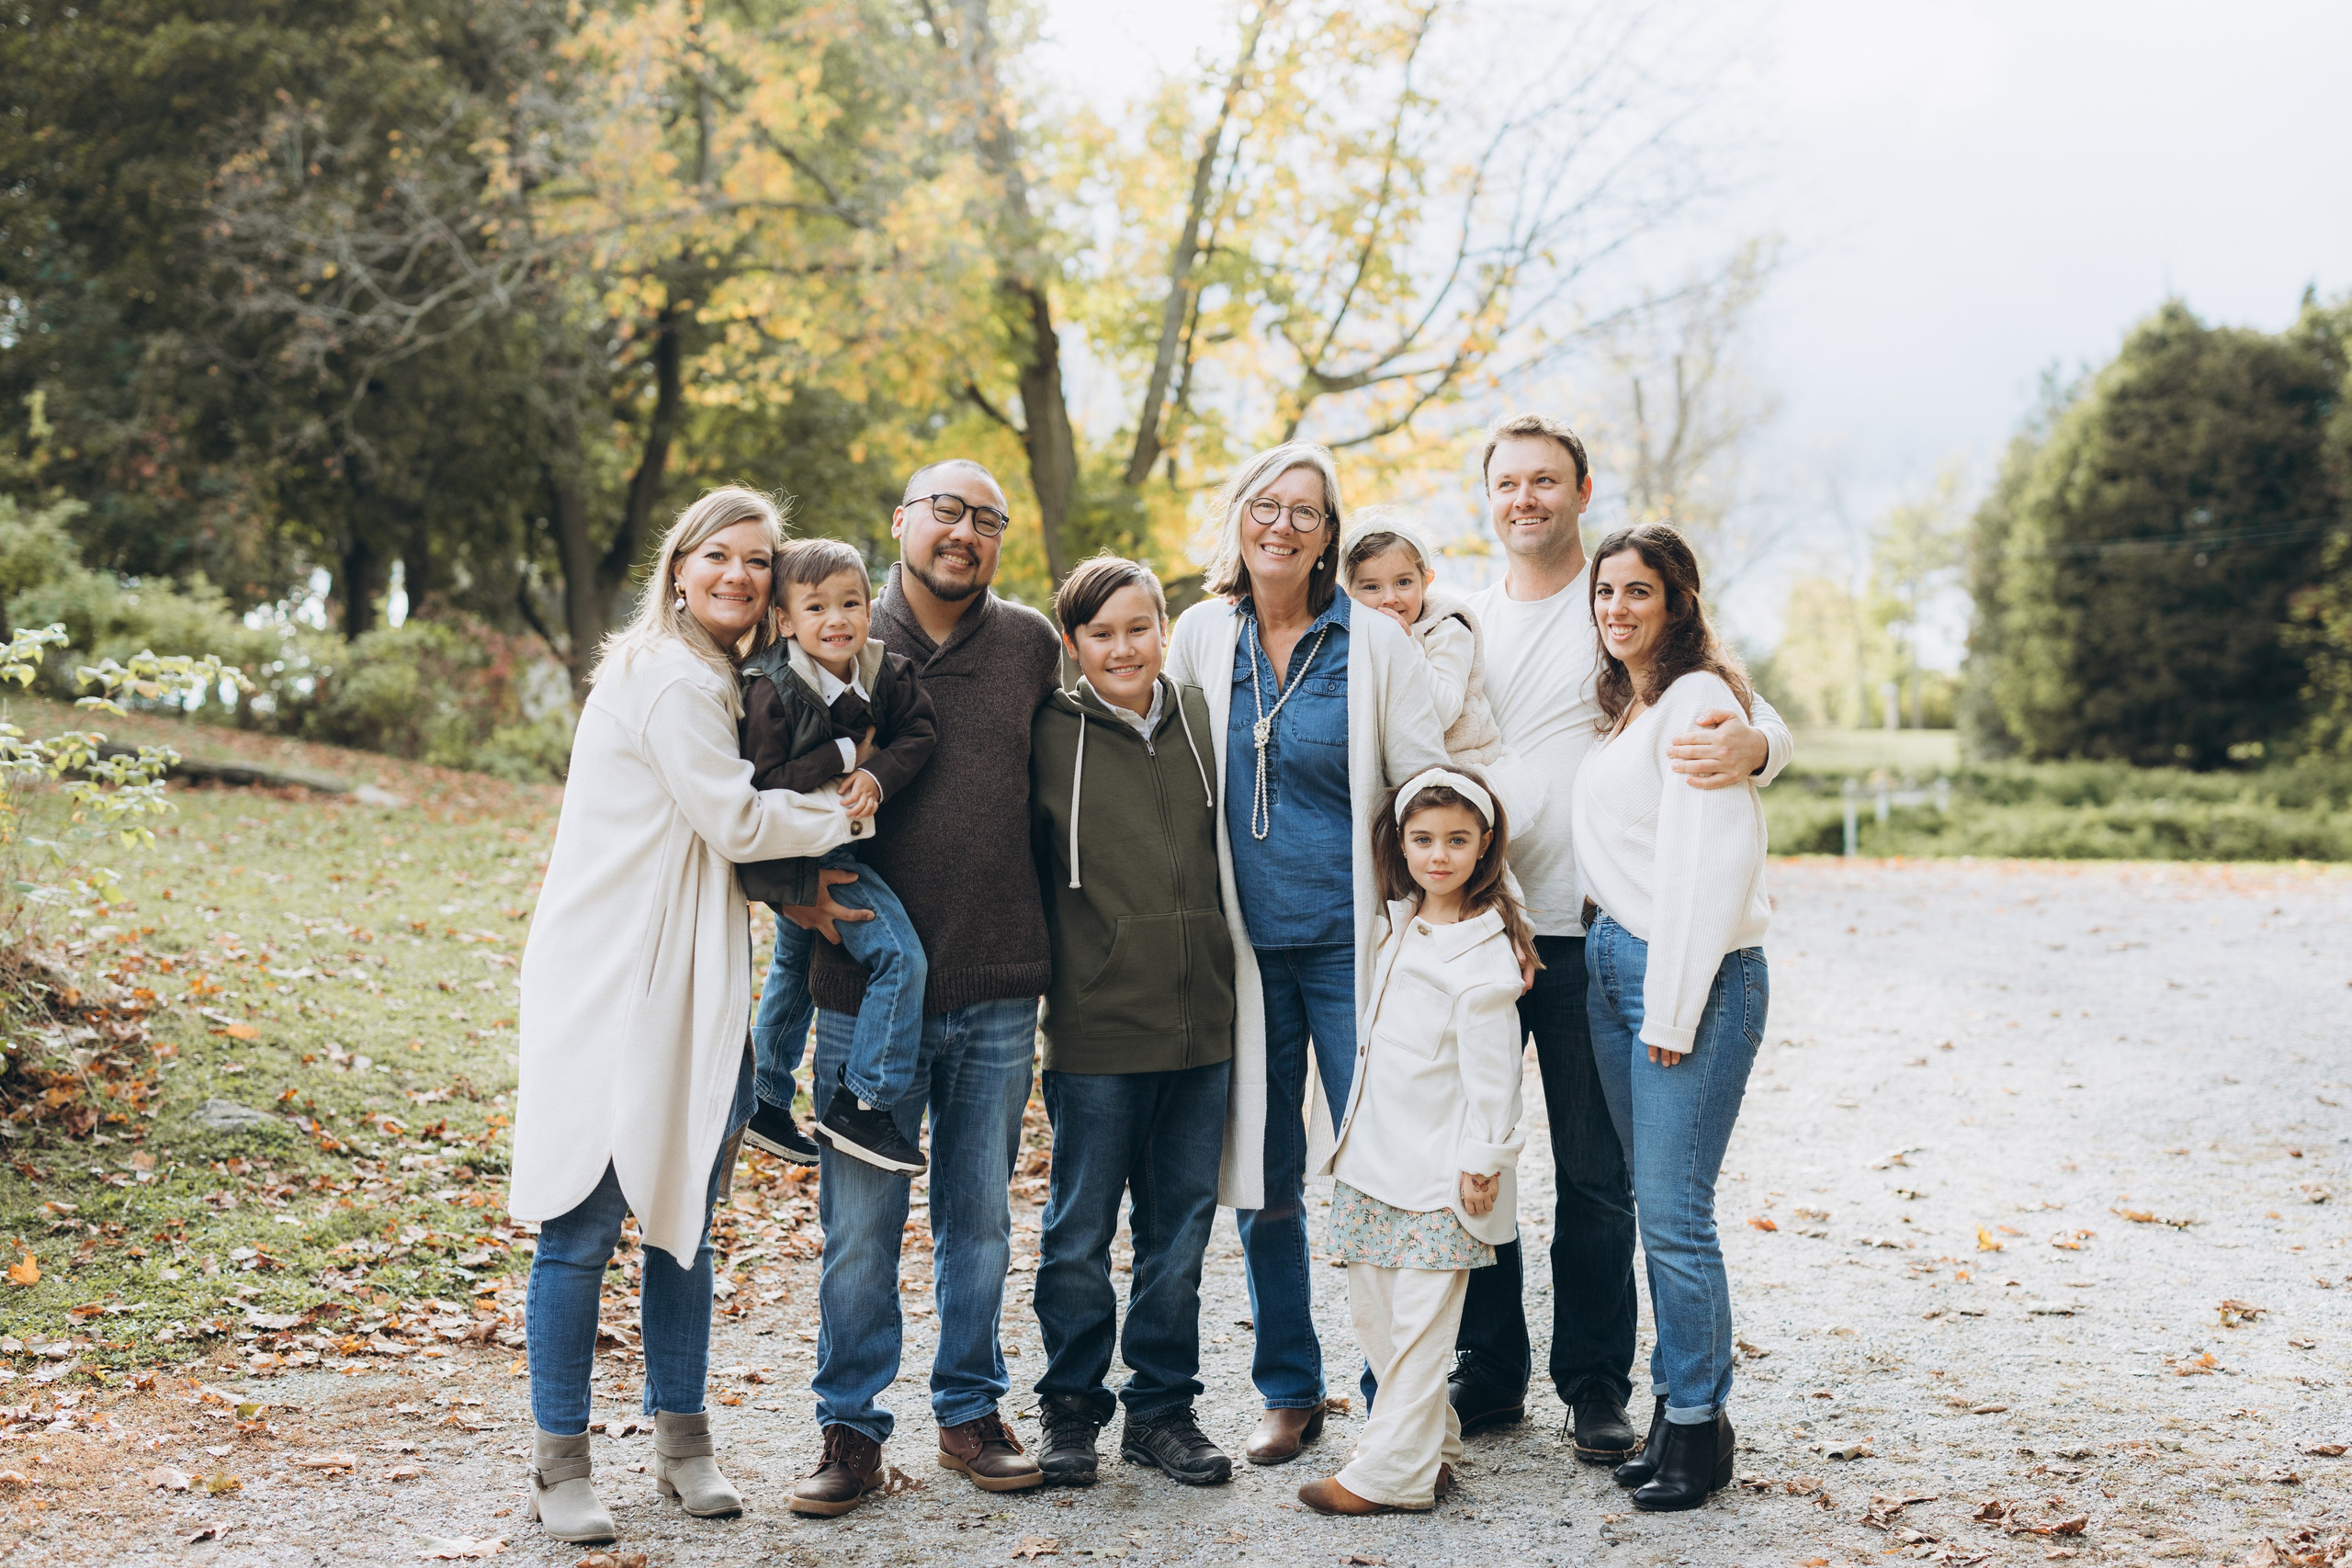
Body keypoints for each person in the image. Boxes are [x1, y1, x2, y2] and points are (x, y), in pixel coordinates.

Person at [510, 486, 859, 1545]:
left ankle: (683, 1447)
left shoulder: (727, 679)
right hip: (614, 977)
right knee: (583, 1221)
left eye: (758, 561)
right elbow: (737, 821)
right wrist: (848, 803)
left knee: (682, 1225)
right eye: (719, 555)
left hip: (696, 978)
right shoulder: (664, 676)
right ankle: (560, 1464)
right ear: (678, 567)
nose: (739, 575)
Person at [1450, 413, 1792, 1464]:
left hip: (1585, 937)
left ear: (1581, 492)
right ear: (1488, 497)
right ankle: (1486, 1371)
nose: (1525, 499)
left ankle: (1594, 1384)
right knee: (1476, 1160)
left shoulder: (1621, 604)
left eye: (1545, 481)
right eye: (1507, 483)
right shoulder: (1462, 618)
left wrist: (1760, 748)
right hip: (1479, 930)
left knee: (1599, 1182)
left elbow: (1743, 712)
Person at [784, 460, 1062, 1516]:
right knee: (859, 1228)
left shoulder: (1030, 645)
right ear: (902, 519)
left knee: (978, 1219)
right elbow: (756, 780)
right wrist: (791, 893)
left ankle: (969, 1411)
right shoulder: (837, 630)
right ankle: (849, 1430)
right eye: (947, 510)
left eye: (987, 519)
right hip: (862, 990)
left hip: (996, 981)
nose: (964, 532)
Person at [1165, 442, 1451, 1467]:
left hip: (1353, 945)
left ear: (1329, 535)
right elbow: (1162, 772)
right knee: (1263, 1170)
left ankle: (1395, 1394)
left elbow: (1426, 788)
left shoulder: (1374, 643)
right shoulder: (1200, 634)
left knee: (1383, 1166)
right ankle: (1289, 1389)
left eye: (1306, 511)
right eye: (1266, 505)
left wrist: (1440, 927)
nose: (1281, 524)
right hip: (1241, 948)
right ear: (1238, 516)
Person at [1571, 523, 1770, 1512]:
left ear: (1678, 602)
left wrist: (1675, 1003)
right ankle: (1676, 1413)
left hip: (1684, 972)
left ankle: (1697, 1426)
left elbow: (1711, 864)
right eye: (1605, 591)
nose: (1617, 608)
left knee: (1676, 1215)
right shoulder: (1634, 703)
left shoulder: (1695, 700)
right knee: (1657, 1210)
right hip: (1615, 962)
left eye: (1638, 591)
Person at [1027, 555, 1238, 1490]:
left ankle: (1161, 1411)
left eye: (1139, 628)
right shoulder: (1046, 732)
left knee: (1178, 1232)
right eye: (1101, 633)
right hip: (1097, 1029)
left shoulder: (1199, 716)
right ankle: (1071, 1408)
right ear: (1072, 643)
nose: (1124, 648)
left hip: (1203, 1027)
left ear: (1163, 629)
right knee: (1078, 1233)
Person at [1296, 768, 1529, 1517]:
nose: (1439, 855)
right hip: (1372, 1158)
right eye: (1423, 839)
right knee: (1379, 1320)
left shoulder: (1484, 952)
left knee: (1422, 1328)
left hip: (1439, 1171)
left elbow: (1495, 1073)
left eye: (1457, 840)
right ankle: (1435, 1450)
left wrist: (1485, 1159)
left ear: (1483, 845)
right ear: (1401, 843)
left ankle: (1389, 1476)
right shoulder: (1392, 926)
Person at [737, 537, 938, 1175]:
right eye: (816, 606)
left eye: (851, 603)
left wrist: (878, 774)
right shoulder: (771, 689)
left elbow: (920, 731)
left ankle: (765, 1099)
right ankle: (864, 1102)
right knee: (899, 957)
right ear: (785, 620)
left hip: (838, 839)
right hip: (797, 853)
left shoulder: (884, 671)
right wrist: (848, 755)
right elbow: (763, 782)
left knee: (795, 968)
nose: (837, 619)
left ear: (870, 609)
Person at [1338, 511, 1503, 768]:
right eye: (1371, 587)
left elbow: (1444, 713)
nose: (1390, 598)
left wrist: (1405, 642)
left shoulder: (1447, 628)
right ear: (1349, 593)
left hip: (1459, 763)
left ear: (1426, 582)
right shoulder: (1351, 638)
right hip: (1398, 767)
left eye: (1403, 582)